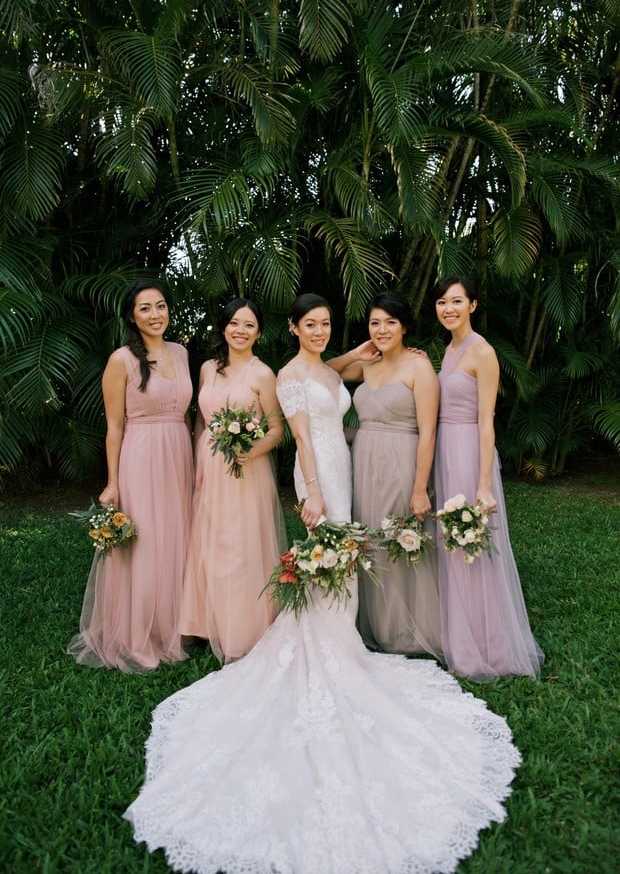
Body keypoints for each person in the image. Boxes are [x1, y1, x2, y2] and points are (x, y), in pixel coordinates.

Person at [123, 292, 522, 874]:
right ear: (290, 328)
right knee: (332, 554)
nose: (318, 331)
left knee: (346, 558)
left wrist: (347, 353)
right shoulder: (286, 374)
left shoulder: (322, 366)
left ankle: (341, 636)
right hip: (323, 476)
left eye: (326, 324)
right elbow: (303, 436)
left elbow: (327, 377)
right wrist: (310, 490)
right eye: (308, 324)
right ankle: (325, 643)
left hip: (347, 468)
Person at [68, 279, 193, 672]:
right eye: (145, 308)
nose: (155, 315)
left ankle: (174, 625)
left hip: (178, 453)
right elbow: (114, 427)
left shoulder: (182, 352)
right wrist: (112, 482)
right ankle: (138, 633)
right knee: (146, 541)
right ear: (131, 316)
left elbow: (189, 414)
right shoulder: (121, 359)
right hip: (140, 456)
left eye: (160, 306)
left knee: (176, 536)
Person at [433, 275, 544, 679]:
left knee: (474, 542)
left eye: (457, 301)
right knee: (452, 541)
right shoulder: (448, 350)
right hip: (444, 451)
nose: (449, 308)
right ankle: (461, 637)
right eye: (442, 302)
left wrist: (483, 483)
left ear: (473, 305)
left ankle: (490, 646)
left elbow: (485, 422)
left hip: (469, 452)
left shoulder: (482, 352)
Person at [331, 291, 442, 657]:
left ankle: (407, 630)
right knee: (371, 539)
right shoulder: (367, 366)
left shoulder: (419, 367)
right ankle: (376, 625)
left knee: (399, 540)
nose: (382, 329)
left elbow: (428, 431)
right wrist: (359, 352)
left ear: (405, 326)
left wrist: (420, 488)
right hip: (365, 462)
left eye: (390, 322)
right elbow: (322, 372)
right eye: (375, 322)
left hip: (402, 459)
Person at [179, 298, 286, 663]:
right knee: (208, 541)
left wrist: (250, 450)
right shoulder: (208, 368)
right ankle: (204, 623)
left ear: (258, 332)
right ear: (223, 327)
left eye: (249, 325)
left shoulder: (262, 374)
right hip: (210, 465)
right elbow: (200, 419)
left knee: (240, 547)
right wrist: (197, 461)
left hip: (246, 469)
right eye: (234, 323)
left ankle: (243, 628)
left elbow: (277, 428)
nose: (241, 331)